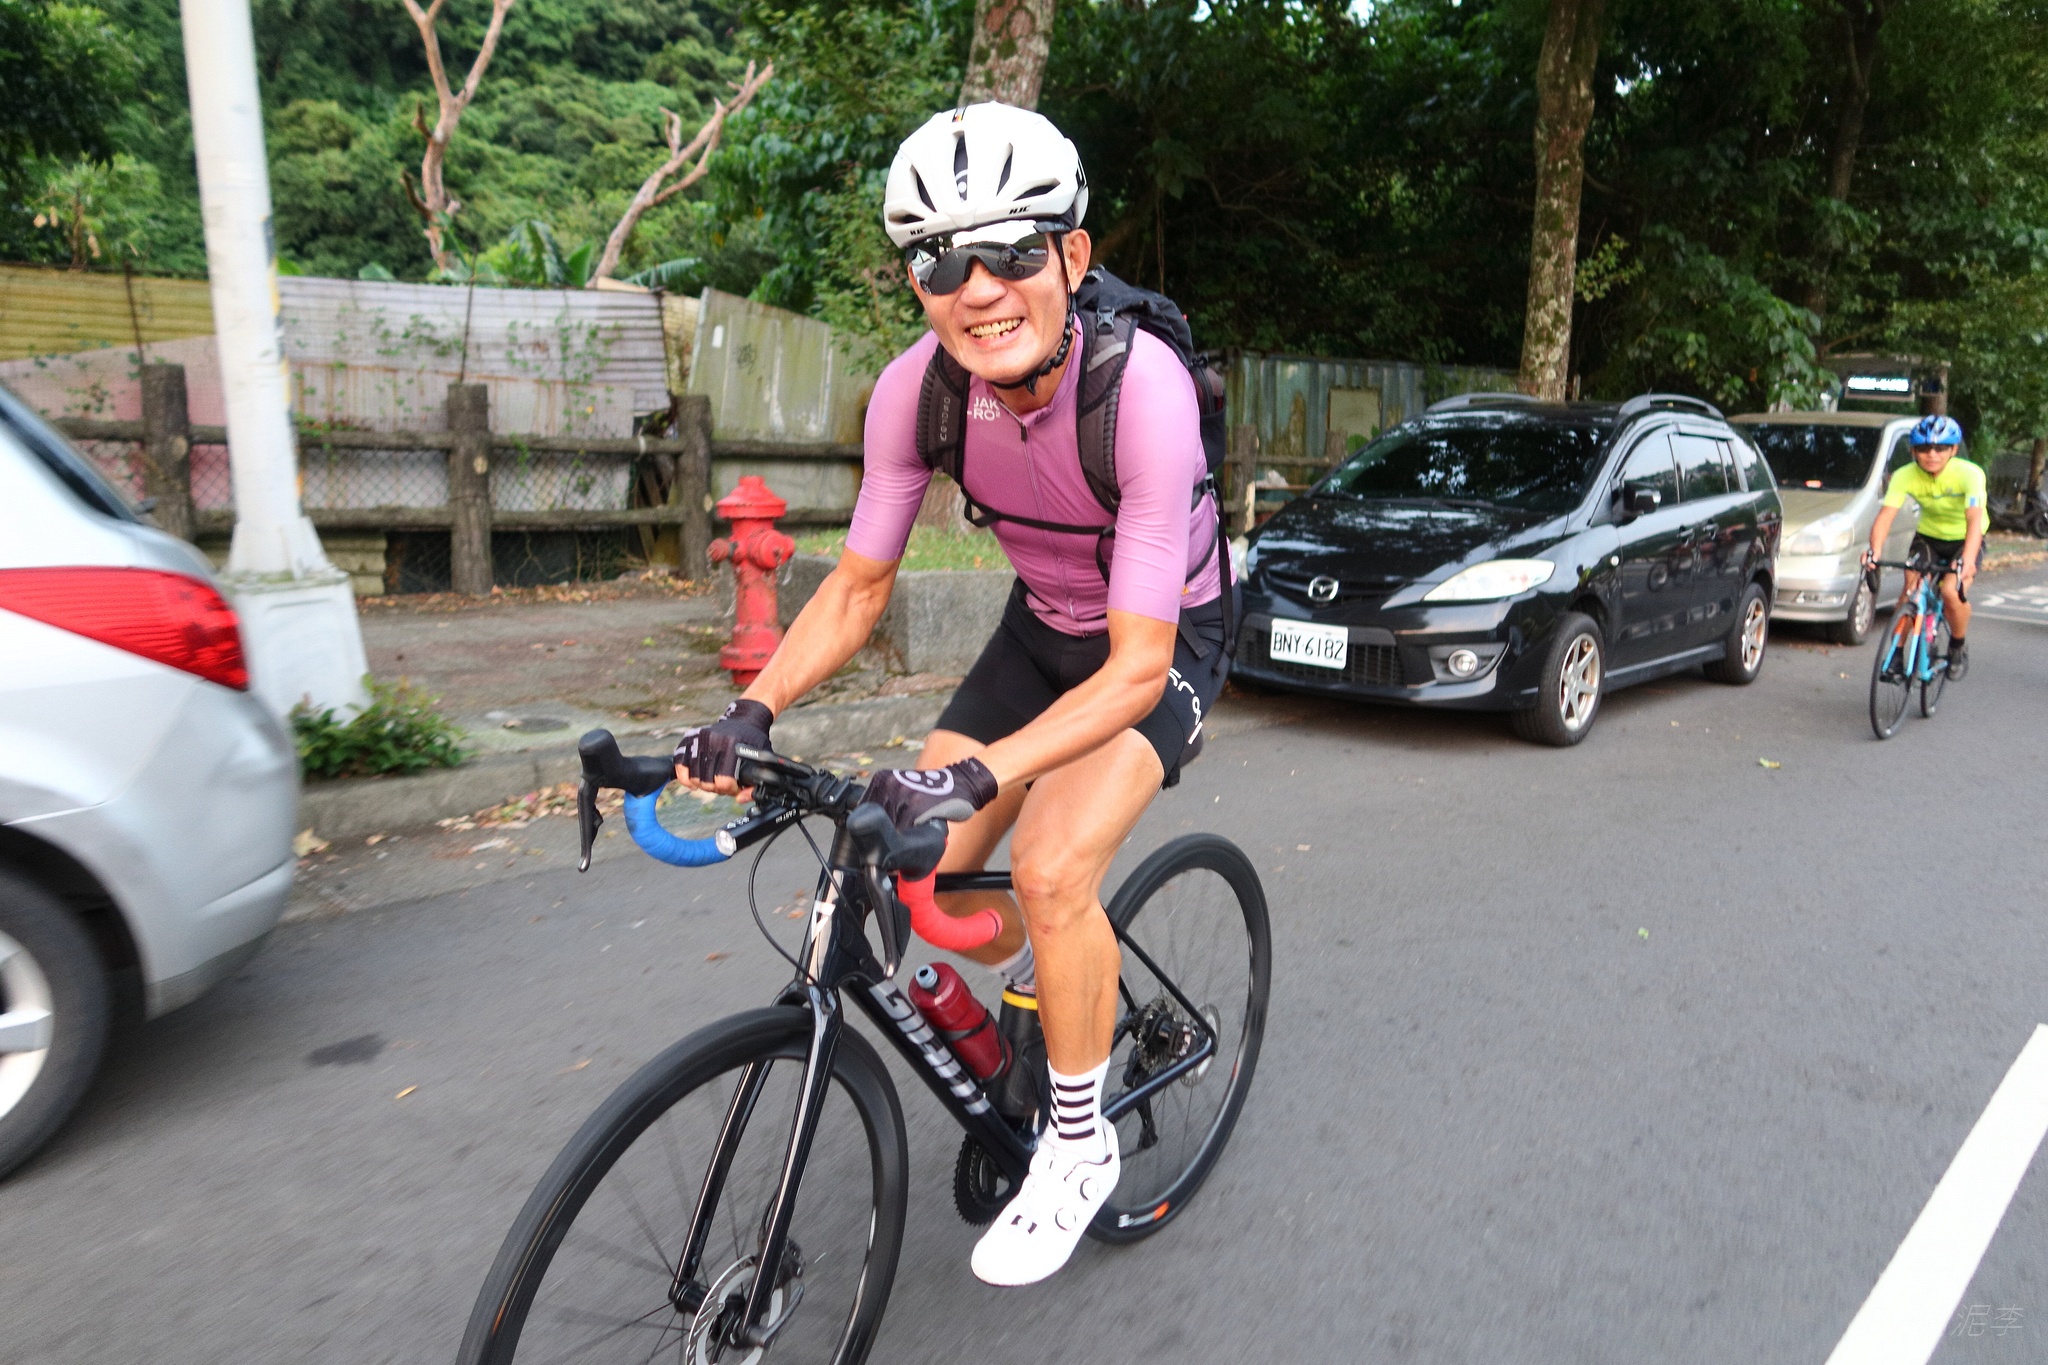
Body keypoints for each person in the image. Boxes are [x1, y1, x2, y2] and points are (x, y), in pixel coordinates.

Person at [671, 103, 1228, 1286]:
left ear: (1072, 255)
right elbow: (855, 588)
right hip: (1041, 627)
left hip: (1162, 637)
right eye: (937, 262)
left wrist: (978, 770)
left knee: (1051, 866)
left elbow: (1135, 667)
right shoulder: (914, 394)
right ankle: (1054, 980)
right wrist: (748, 713)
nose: (977, 288)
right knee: (917, 872)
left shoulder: (1140, 391)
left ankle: (1075, 1147)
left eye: (1011, 251)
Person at [1863, 414, 1984, 680]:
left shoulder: (1970, 474)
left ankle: (1957, 646)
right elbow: (1885, 516)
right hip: (1928, 538)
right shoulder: (1904, 475)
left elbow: (1975, 519)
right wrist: (1874, 551)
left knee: (1951, 592)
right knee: (1910, 591)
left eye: (1940, 448)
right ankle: (1896, 653)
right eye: (1924, 448)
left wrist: (1968, 558)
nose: (1932, 455)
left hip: (1964, 539)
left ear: (1953, 450)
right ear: (1913, 451)